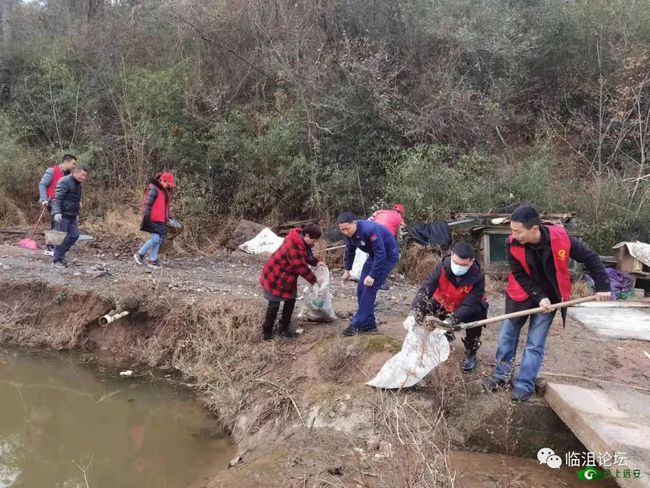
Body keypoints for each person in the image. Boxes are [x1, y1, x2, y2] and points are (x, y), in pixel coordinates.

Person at [483, 206, 611, 402]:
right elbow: (519, 275)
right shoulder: (512, 244)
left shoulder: (561, 238)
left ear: (534, 229)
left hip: (550, 300)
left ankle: (524, 384)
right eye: (512, 230)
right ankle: (501, 375)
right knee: (507, 335)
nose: (513, 234)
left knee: (535, 343)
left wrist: (603, 286)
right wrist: (538, 295)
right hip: (521, 293)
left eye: (518, 231)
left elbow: (590, 258)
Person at [409, 241, 488, 372]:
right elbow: (426, 288)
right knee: (428, 307)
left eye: (463, 265)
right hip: (444, 302)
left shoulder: (478, 276)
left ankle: (471, 351)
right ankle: (444, 335)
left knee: (477, 313)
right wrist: (415, 309)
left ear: (471, 262)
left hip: (466, 307)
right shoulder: (442, 267)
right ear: (451, 256)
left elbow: (470, 303)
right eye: (456, 263)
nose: (458, 267)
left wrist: (452, 320)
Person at [259, 224, 325, 340]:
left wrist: (315, 262)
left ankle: (284, 327)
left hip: (288, 277)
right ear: (307, 235)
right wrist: (314, 280)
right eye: (313, 240)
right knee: (274, 304)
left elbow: (306, 254)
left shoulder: (301, 238)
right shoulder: (294, 244)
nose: (314, 243)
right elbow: (300, 266)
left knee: (290, 300)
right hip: (275, 275)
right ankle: (267, 331)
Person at [339, 212, 400, 335]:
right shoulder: (348, 234)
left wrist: (372, 275)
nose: (345, 232)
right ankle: (369, 325)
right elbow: (350, 251)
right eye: (342, 230)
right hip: (373, 256)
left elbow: (381, 254)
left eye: (347, 229)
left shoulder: (369, 230)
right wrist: (347, 270)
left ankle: (357, 324)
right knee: (361, 289)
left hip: (388, 256)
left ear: (354, 223)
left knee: (369, 288)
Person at [133, 172, 176, 269]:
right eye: (167, 184)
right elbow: (148, 204)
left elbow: (165, 206)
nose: (168, 186)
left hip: (160, 219)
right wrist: (146, 216)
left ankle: (153, 260)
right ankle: (140, 254)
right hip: (152, 218)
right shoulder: (154, 189)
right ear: (162, 181)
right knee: (155, 239)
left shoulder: (164, 191)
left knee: (159, 239)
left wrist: (168, 216)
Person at [38, 154, 77, 256]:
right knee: (56, 224)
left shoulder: (70, 175)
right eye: (73, 163)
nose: (74, 166)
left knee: (60, 225)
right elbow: (42, 184)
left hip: (66, 203)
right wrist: (43, 199)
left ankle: (56, 247)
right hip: (53, 200)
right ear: (66, 162)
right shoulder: (52, 171)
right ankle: (51, 248)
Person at [51, 166, 88, 267]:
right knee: (61, 237)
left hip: (72, 214)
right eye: (82, 175)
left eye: (85, 176)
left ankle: (59, 254)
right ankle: (57, 260)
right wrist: (57, 212)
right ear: (75, 173)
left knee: (74, 235)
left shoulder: (77, 183)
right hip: (62, 214)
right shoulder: (64, 181)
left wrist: (77, 204)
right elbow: (58, 198)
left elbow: (72, 197)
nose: (84, 178)